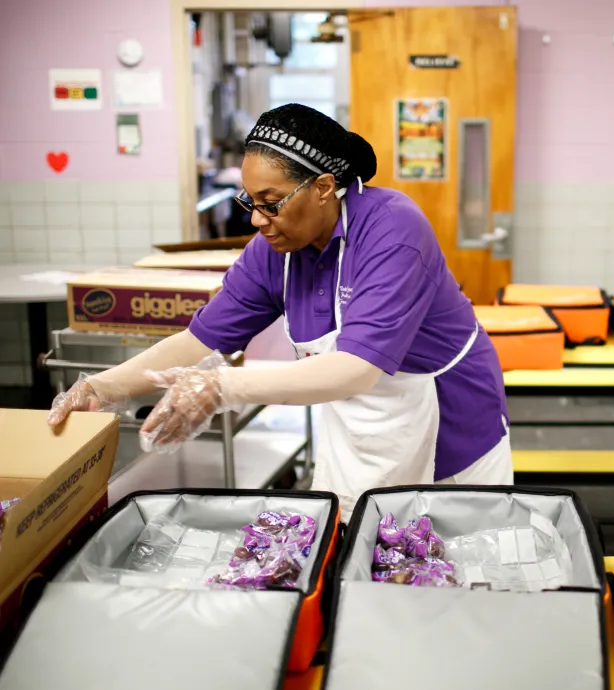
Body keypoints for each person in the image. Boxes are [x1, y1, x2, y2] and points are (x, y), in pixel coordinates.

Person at [48, 103, 513, 518]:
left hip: (445, 422)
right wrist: (103, 386)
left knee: (441, 565)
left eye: (271, 203)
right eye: (250, 202)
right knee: (360, 554)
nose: (255, 218)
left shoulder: (392, 229)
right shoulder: (275, 247)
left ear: (325, 187)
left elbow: (356, 369)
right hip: (358, 423)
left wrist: (222, 386)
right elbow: (199, 341)